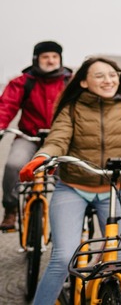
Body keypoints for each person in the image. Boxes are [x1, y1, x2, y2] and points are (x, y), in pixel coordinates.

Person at [19, 57, 121, 305]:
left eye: (112, 75)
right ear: (85, 83)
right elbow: (57, 139)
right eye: (99, 76)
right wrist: (43, 157)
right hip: (73, 188)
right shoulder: (72, 107)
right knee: (63, 257)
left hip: (113, 189)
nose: (108, 80)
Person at [0, 41, 71, 231]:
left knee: (68, 175)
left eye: (54, 57)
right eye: (45, 57)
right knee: (14, 165)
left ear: (60, 59)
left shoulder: (69, 82)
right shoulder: (24, 81)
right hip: (28, 136)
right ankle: (11, 208)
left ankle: (67, 216)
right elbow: (5, 107)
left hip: (60, 139)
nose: (50, 61)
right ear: (36, 59)